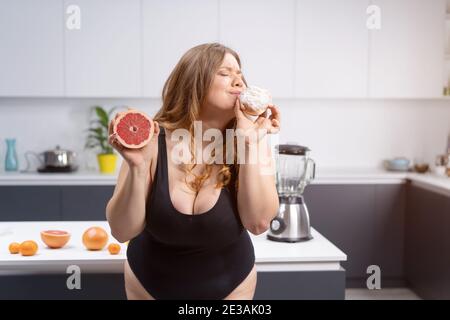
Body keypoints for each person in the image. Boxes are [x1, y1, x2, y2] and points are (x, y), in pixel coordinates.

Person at [106, 43, 280, 300]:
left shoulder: (251, 142)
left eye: (240, 73)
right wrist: (138, 168)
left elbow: (258, 223)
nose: (238, 81)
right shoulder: (152, 143)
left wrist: (250, 144)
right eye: (224, 73)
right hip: (149, 286)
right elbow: (122, 231)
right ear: (193, 81)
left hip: (231, 287)